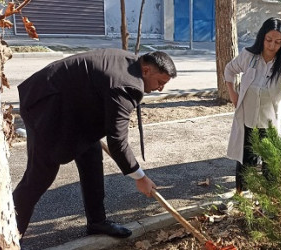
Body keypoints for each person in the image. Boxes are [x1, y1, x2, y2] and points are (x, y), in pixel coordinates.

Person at [13, 49, 177, 239]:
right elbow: (117, 140)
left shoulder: (133, 65)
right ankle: (9, 235)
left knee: (91, 159)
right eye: (160, 82)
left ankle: (97, 222)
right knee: (40, 175)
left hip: (74, 108)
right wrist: (140, 177)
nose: (160, 89)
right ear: (147, 70)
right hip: (46, 104)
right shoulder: (126, 85)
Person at [224, 17, 281, 194]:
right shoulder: (249, 56)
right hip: (248, 120)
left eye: (278, 42)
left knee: (270, 164)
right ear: (262, 38)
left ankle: (269, 200)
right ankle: (241, 196)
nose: (272, 46)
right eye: (269, 40)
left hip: (270, 123)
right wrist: (233, 94)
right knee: (245, 162)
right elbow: (229, 70)